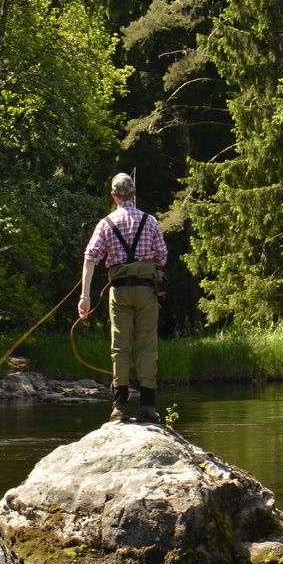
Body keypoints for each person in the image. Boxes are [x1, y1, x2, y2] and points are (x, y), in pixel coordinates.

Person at [79, 172, 167, 422]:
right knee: (147, 345)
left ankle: (120, 407)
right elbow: (162, 257)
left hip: (119, 291)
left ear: (113, 196)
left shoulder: (105, 224)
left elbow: (90, 257)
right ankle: (148, 407)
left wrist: (84, 297)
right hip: (147, 291)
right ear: (134, 194)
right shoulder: (150, 221)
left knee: (120, 346)